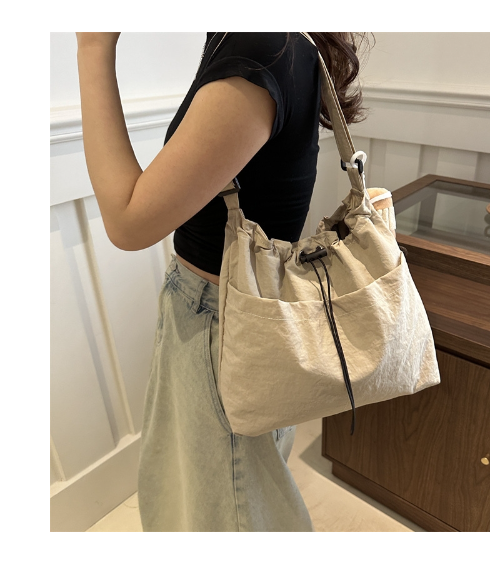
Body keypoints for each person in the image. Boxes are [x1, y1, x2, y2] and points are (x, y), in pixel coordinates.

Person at [75, 31, 371, 532]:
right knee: (237, 499)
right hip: (240, 313)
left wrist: (92, 48)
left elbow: (126, 224)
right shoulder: (276, 43)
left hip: (221, 323)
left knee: (222, 510)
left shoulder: (260, 49)